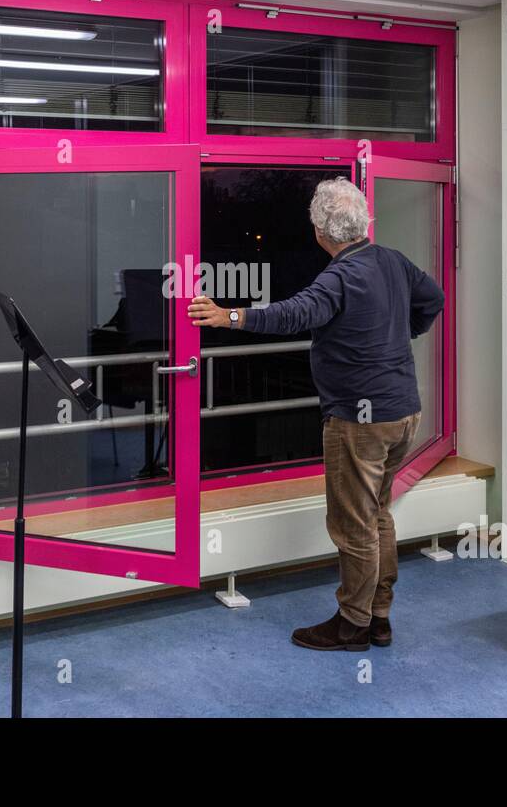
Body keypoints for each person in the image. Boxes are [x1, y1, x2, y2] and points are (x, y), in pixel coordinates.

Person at [188, 177, 444, 652]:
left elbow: (294, 314)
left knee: (354, 526)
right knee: (378, 514)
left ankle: (352, 624)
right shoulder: (393, 261)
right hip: (403, 412)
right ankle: (378, 616)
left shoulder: (340, 275)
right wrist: (402, 332)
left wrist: (230, 317)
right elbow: (433, 300)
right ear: (363, 221)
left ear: (321, 231)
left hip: (359, 421)